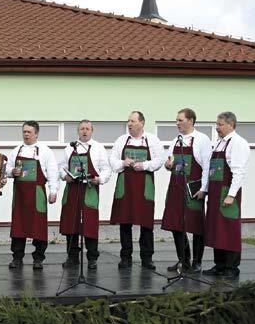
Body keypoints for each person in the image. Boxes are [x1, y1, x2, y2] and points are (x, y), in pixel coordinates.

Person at [109, 111, 164, 270]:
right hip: (125, 186)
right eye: (128, 121)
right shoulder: (121, 140)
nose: (130, 124)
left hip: (145, 186)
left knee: (146, 224)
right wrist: (123, 162)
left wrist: (145, 165)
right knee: (125, 223)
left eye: (133, 121)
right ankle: (125, 257)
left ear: (141, 123)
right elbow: (112, 160)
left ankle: (147, 258)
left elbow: (160, 160)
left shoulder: (152, 140)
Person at [160, 108, 211, 273]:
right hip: (175, 188)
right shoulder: (176, 139)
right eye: (177, 120)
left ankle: (197, 262)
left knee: (196, 225)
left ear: (191, 120)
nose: (177, 123)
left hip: (193, 189)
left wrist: (204, 189)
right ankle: (184, 260)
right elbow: (170, 161)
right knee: (175, 224)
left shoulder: (202, 139)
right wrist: (168, 165)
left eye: (180, 120)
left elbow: (206, 167)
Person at [58, 120, 111, 270]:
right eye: (82, 129)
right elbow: (61, 167)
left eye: (87, 129)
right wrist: (64, 176)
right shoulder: (69, 148)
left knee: (90, 224)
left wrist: (99, 179)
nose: (84, 131)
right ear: (78, 131)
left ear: (92, 131)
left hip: (89, 189)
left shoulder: (98, 148)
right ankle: (72, 257)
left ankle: (92, 258)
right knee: (71, 224)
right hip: (72, 190)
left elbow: (106, 168)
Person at [204, 111, 250, 278]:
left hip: (227, 193)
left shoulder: (237, 143)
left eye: (220, 124)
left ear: (231, 125)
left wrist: (231, 195)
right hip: (216, 193)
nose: (217, 127)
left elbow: (238, 172)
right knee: (218, 229)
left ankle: (232, 268)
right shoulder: (220, 143)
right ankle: (220, 265)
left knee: (229, 229)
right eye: (216, 124)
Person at [6, 121, 56, 270]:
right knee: (18, 227)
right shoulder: (16, 151)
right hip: (20, 196)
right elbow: (7, 168)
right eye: (24, 132)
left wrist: (53, 191)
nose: (26, 134)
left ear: (36, 134)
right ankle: (17, 258)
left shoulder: (45, 151)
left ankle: (38, 259)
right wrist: (11, 171)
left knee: (38, 227)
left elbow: (52, 172)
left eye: (29, 132)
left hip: (37, 195)